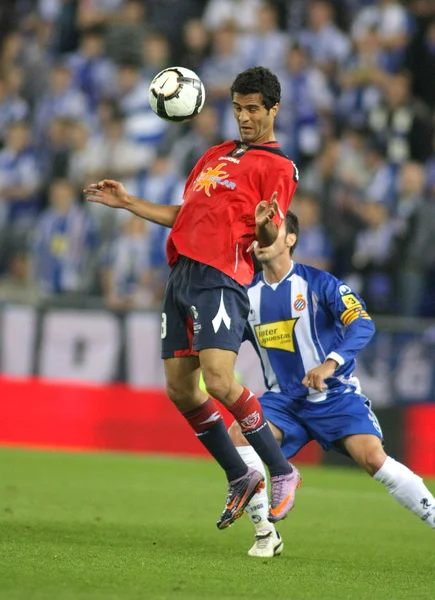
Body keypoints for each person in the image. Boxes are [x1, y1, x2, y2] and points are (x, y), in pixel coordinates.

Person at [84, 67, 300, 529]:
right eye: (238, 108)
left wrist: (265, 223)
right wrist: (129, 203)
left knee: (221, 382)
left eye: (253, 109)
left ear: (273, 110)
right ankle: (240, 476)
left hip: (222, 276)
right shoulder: (214, 154)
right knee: (180, 388)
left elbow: (269, 231)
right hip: (181, 272)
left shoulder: (279, 167)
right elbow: (186, 215)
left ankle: (281, 471)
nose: (244, 117)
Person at [228, 210, 435, 557]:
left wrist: (329, 364)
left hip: (333, 396)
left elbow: (362, 324)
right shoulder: (246, 296)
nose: (259, 239)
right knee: (238, 433)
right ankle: (265, 532)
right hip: (283, 401)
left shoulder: (319, 283)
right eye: (256, 234)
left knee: (373, 460)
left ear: (290, 239)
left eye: (270, 231)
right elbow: (228, 343)